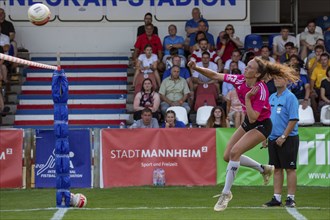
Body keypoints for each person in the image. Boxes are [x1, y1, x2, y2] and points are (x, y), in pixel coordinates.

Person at [187, 57, 299, 212]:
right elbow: (214, 75)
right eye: (246, 65)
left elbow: (254, 117)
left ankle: (225, 194)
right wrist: (196, 68)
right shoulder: (239, 80)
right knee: (228, 156)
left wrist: (247, 99)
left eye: (249, 67)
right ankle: (263, 169)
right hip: (249, 121)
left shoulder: (261, 90)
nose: (245, 68)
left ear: (257, 73)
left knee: (235, 152)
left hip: (262, 125)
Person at [263, 75, 299, 208]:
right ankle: (276, 197)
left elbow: (294, 119)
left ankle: (291, 198)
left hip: (288, 138)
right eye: (275, 78)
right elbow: (267, 118)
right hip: (272, 138)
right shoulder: (271, 97)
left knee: (290, 168)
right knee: (276, 169)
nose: (276, 80)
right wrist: (265, 136)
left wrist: (283, 136)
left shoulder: (290, 97)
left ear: (287, 81)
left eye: (280, 78)